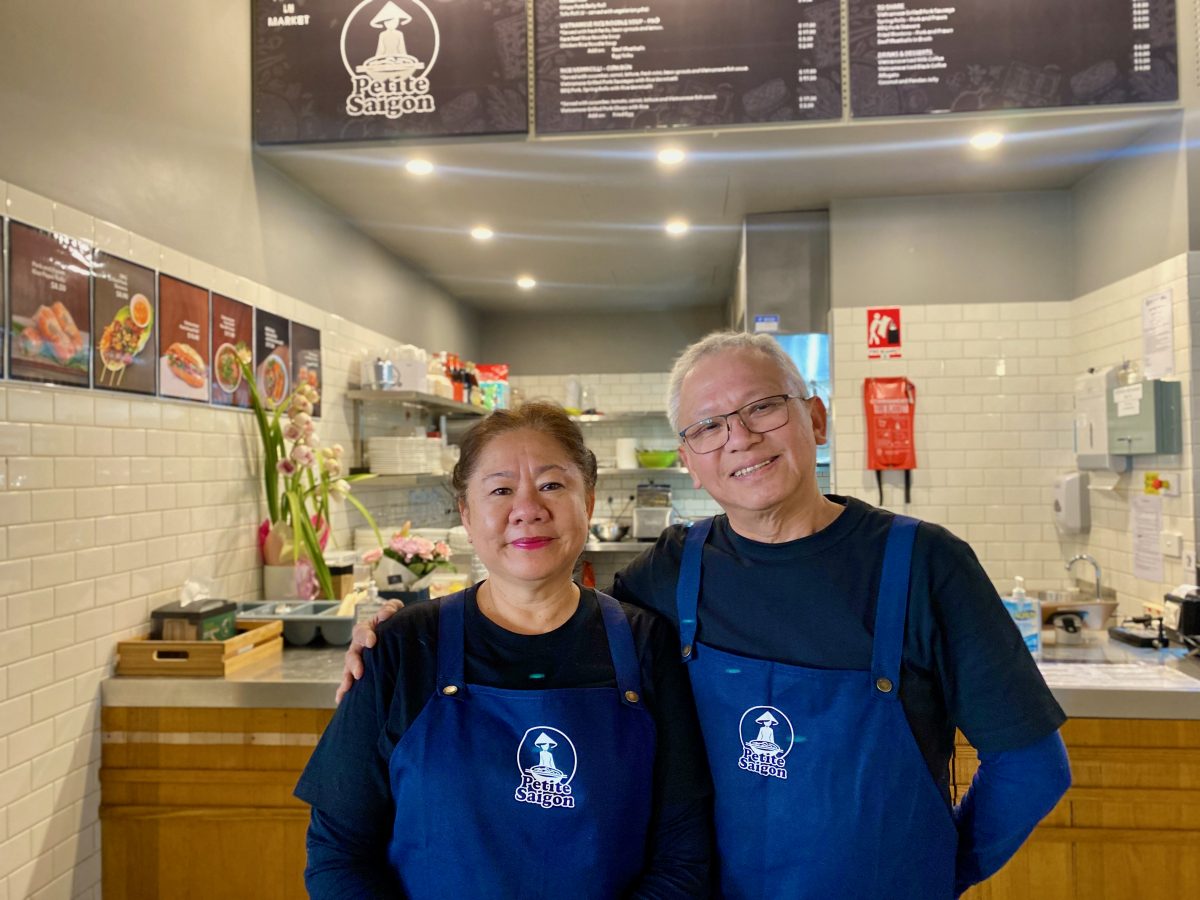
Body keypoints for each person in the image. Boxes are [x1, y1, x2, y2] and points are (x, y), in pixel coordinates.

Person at [342, 332, 1072, 899]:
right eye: (708, 426)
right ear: (688, 460)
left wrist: (932, 870)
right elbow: (549, 631)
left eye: (762, 407)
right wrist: (399, 641)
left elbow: (1032, 767)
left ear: (814, 417)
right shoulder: (669, 574)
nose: (740, 438)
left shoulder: (925, 566)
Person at [299, 402, 712, 898]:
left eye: (553, 485)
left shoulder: (647, 644)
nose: (528, 509)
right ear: (467, 515)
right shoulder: (403, 646)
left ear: (591, 503)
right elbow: (337, 854)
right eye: (500, 490)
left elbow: (684, 852)